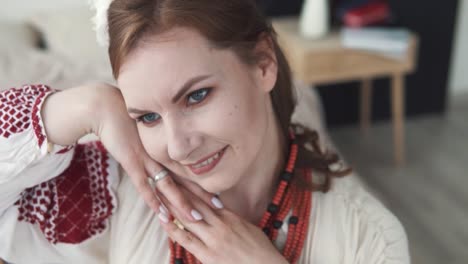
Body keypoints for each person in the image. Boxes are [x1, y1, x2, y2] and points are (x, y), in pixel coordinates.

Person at [0, 0, 410, 263]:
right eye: (147, 117)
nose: (178, 147)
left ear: (264, 63)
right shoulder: (118, 189)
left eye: (196, 96)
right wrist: (88, 104)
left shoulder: (369, 240)